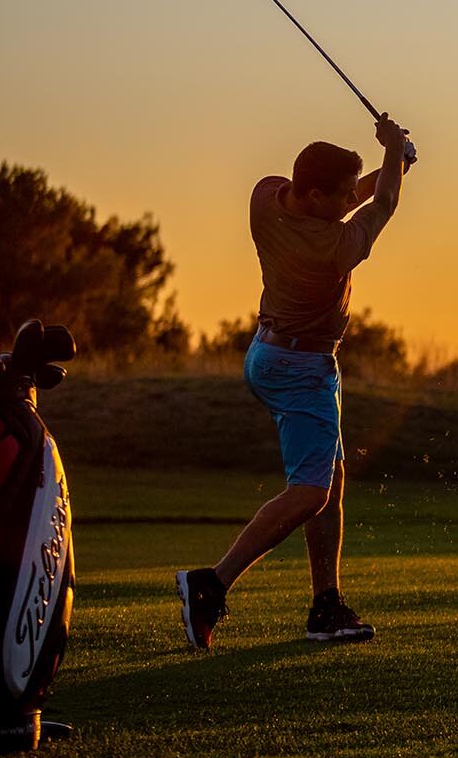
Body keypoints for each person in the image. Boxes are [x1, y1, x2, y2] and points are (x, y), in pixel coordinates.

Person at [176, 117, 414, 648]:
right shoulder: (330, 249)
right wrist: (395, 155)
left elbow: (355, 194)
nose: (345, 200)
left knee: (330, 479)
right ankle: (210, 584)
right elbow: (382, 206)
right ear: (310, 196)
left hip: (272, 353)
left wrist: (397, 161)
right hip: (299, 368)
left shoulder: (266, 198)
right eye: (336, 196)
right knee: (310, 491)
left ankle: (325, 606)